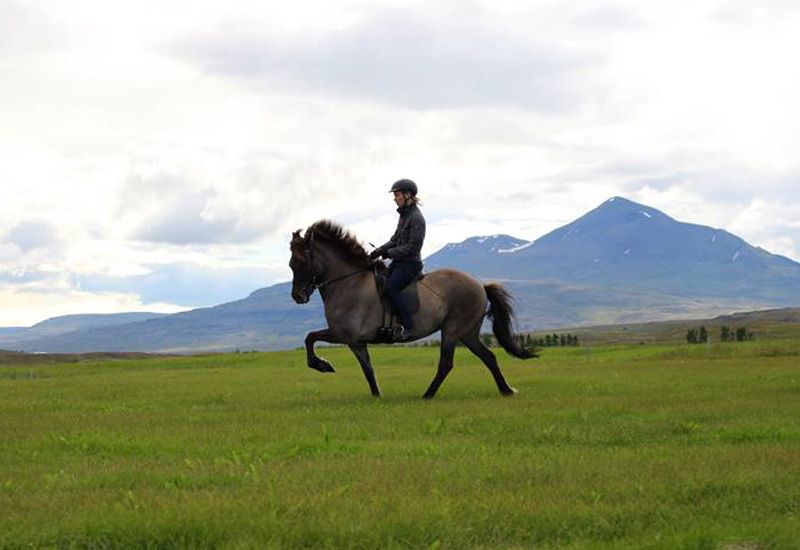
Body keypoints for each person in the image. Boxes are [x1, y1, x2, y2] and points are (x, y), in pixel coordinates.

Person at [369, 179, 426, 338]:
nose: (395, 198)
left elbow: (413, 248)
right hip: (399, 262)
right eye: (395, 195)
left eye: (397, 194)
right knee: (380, 283)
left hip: (410, 264)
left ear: (408, 195)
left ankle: (408, 326)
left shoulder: (416, 218)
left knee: (391, 288)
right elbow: (395, 239)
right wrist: (379, 251)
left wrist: (389, 253)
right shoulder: (404, 216)